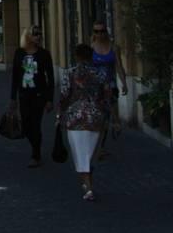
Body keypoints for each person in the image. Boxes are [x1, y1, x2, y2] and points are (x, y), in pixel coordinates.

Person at [59, 43, 114, 201]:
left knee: (80, 154)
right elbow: (107, 96)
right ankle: (88, 183)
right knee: (89, 154)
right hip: (95, 118)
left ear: (76, 56)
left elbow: (64, 96)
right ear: (91, 57)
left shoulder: (70, 73)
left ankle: (87, 186)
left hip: (75, 118)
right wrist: (110, 117)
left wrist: (59, 114)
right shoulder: (100, 74)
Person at [9, 25, 55, 167]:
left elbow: (51, 78)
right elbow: (15, 76)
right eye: (35, 34)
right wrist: (12, 98)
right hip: (23, 95)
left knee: (36, 124)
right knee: (26, 126)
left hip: (39, 94)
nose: (39, 36)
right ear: (28, 36)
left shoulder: (44, 54)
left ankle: (36, 154)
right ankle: (36, 147)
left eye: (40, 34)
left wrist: (49, 99)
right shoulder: (19, 53)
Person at [89, 21, 126, 158]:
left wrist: (124, 83)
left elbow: (119, 66)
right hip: (96, 88)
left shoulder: (114, 48)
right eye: (96, 31)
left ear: (106, 32)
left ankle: (101, 146)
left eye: (102, 31)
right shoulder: (91, 48)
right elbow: (86, 69)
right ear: (93, 33)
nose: (99, 34)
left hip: (111, 87)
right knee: (99, 118)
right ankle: (98, 147)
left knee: (107, 118)